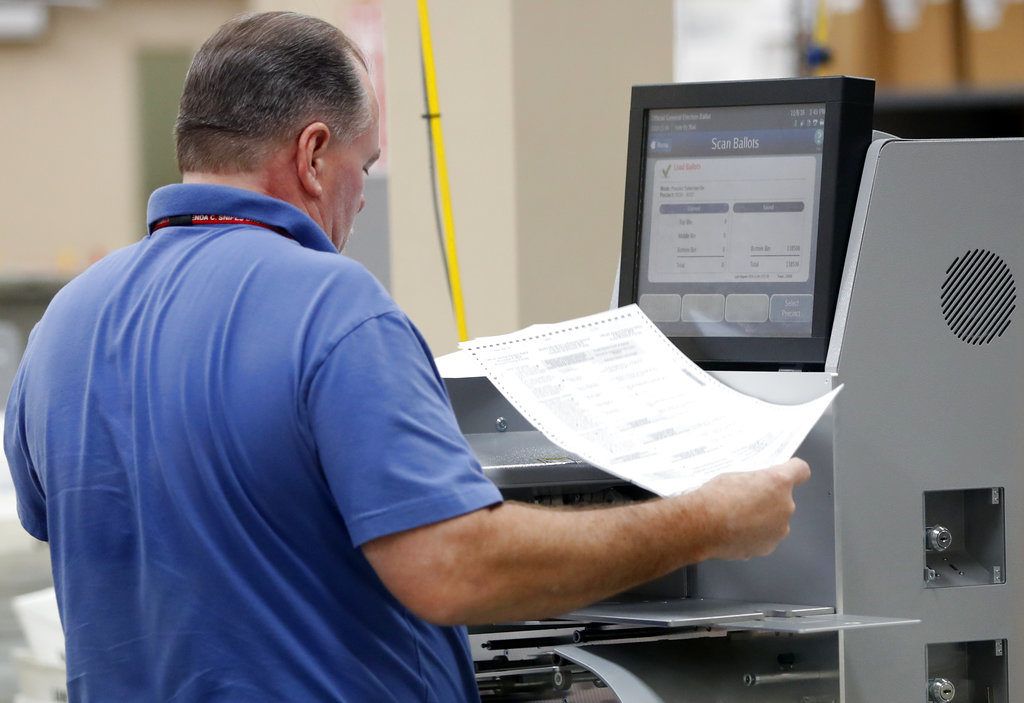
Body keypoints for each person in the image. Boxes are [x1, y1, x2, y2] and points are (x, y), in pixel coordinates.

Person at [3, 11, 810, 702]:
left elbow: (102, 530)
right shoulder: (332, 307)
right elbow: (454, 570)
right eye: (367, 165)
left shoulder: (64, 324)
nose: (360, 192)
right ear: (315, 155)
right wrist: (708, 519)